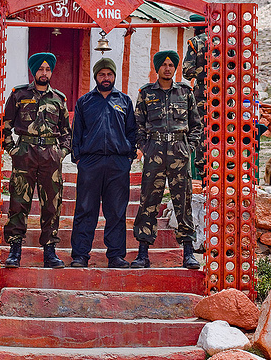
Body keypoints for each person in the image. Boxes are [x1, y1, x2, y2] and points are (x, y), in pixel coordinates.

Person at [132, 50, 202, 269]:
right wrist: (145, 147)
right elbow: (137, 125)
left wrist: (188, 147)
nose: (168, 68)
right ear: (157, 68)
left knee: (183, 202)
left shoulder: (185, 92)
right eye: (164, 65)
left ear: (175, 68)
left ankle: (188, 252)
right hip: (155, 153)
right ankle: (143, 253)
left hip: (179, 153)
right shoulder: (146, 93)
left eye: (171, 65)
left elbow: (196, 125)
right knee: (149, 202)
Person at [3, 52, 71, 269]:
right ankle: (15, 251)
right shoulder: (18, 95)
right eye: (40, 69)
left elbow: (67, 132)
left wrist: (61, 152)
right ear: (34, 71)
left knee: (52, 204)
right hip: (24, 154)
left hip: (50, 156)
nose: (44, 73)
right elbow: (5, 126)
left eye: (47, 69)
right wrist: (12, 149)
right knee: (18, 202)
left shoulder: (58, 99)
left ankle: (50, 251)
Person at [70, 58, 136, 268]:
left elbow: (132, 131)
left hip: (118, 163)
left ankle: (116, 256)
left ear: (114, 76)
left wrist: (129, 156)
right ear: (95, 76)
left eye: (109, 74)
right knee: (85, 208)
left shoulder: (124, 101)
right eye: (101, 74)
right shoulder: (85, 102)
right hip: (90, 162)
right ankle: (80, 255)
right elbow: (76, 133)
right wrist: (79, 157)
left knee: (116, 211)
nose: (105, 78)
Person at [182, 14, 207, 183]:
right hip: (226, 96)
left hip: (203, 94)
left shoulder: (196, 42)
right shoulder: (226, 41)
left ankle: (202, 170)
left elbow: (187, 71)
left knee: (201, 130)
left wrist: (204, 74)